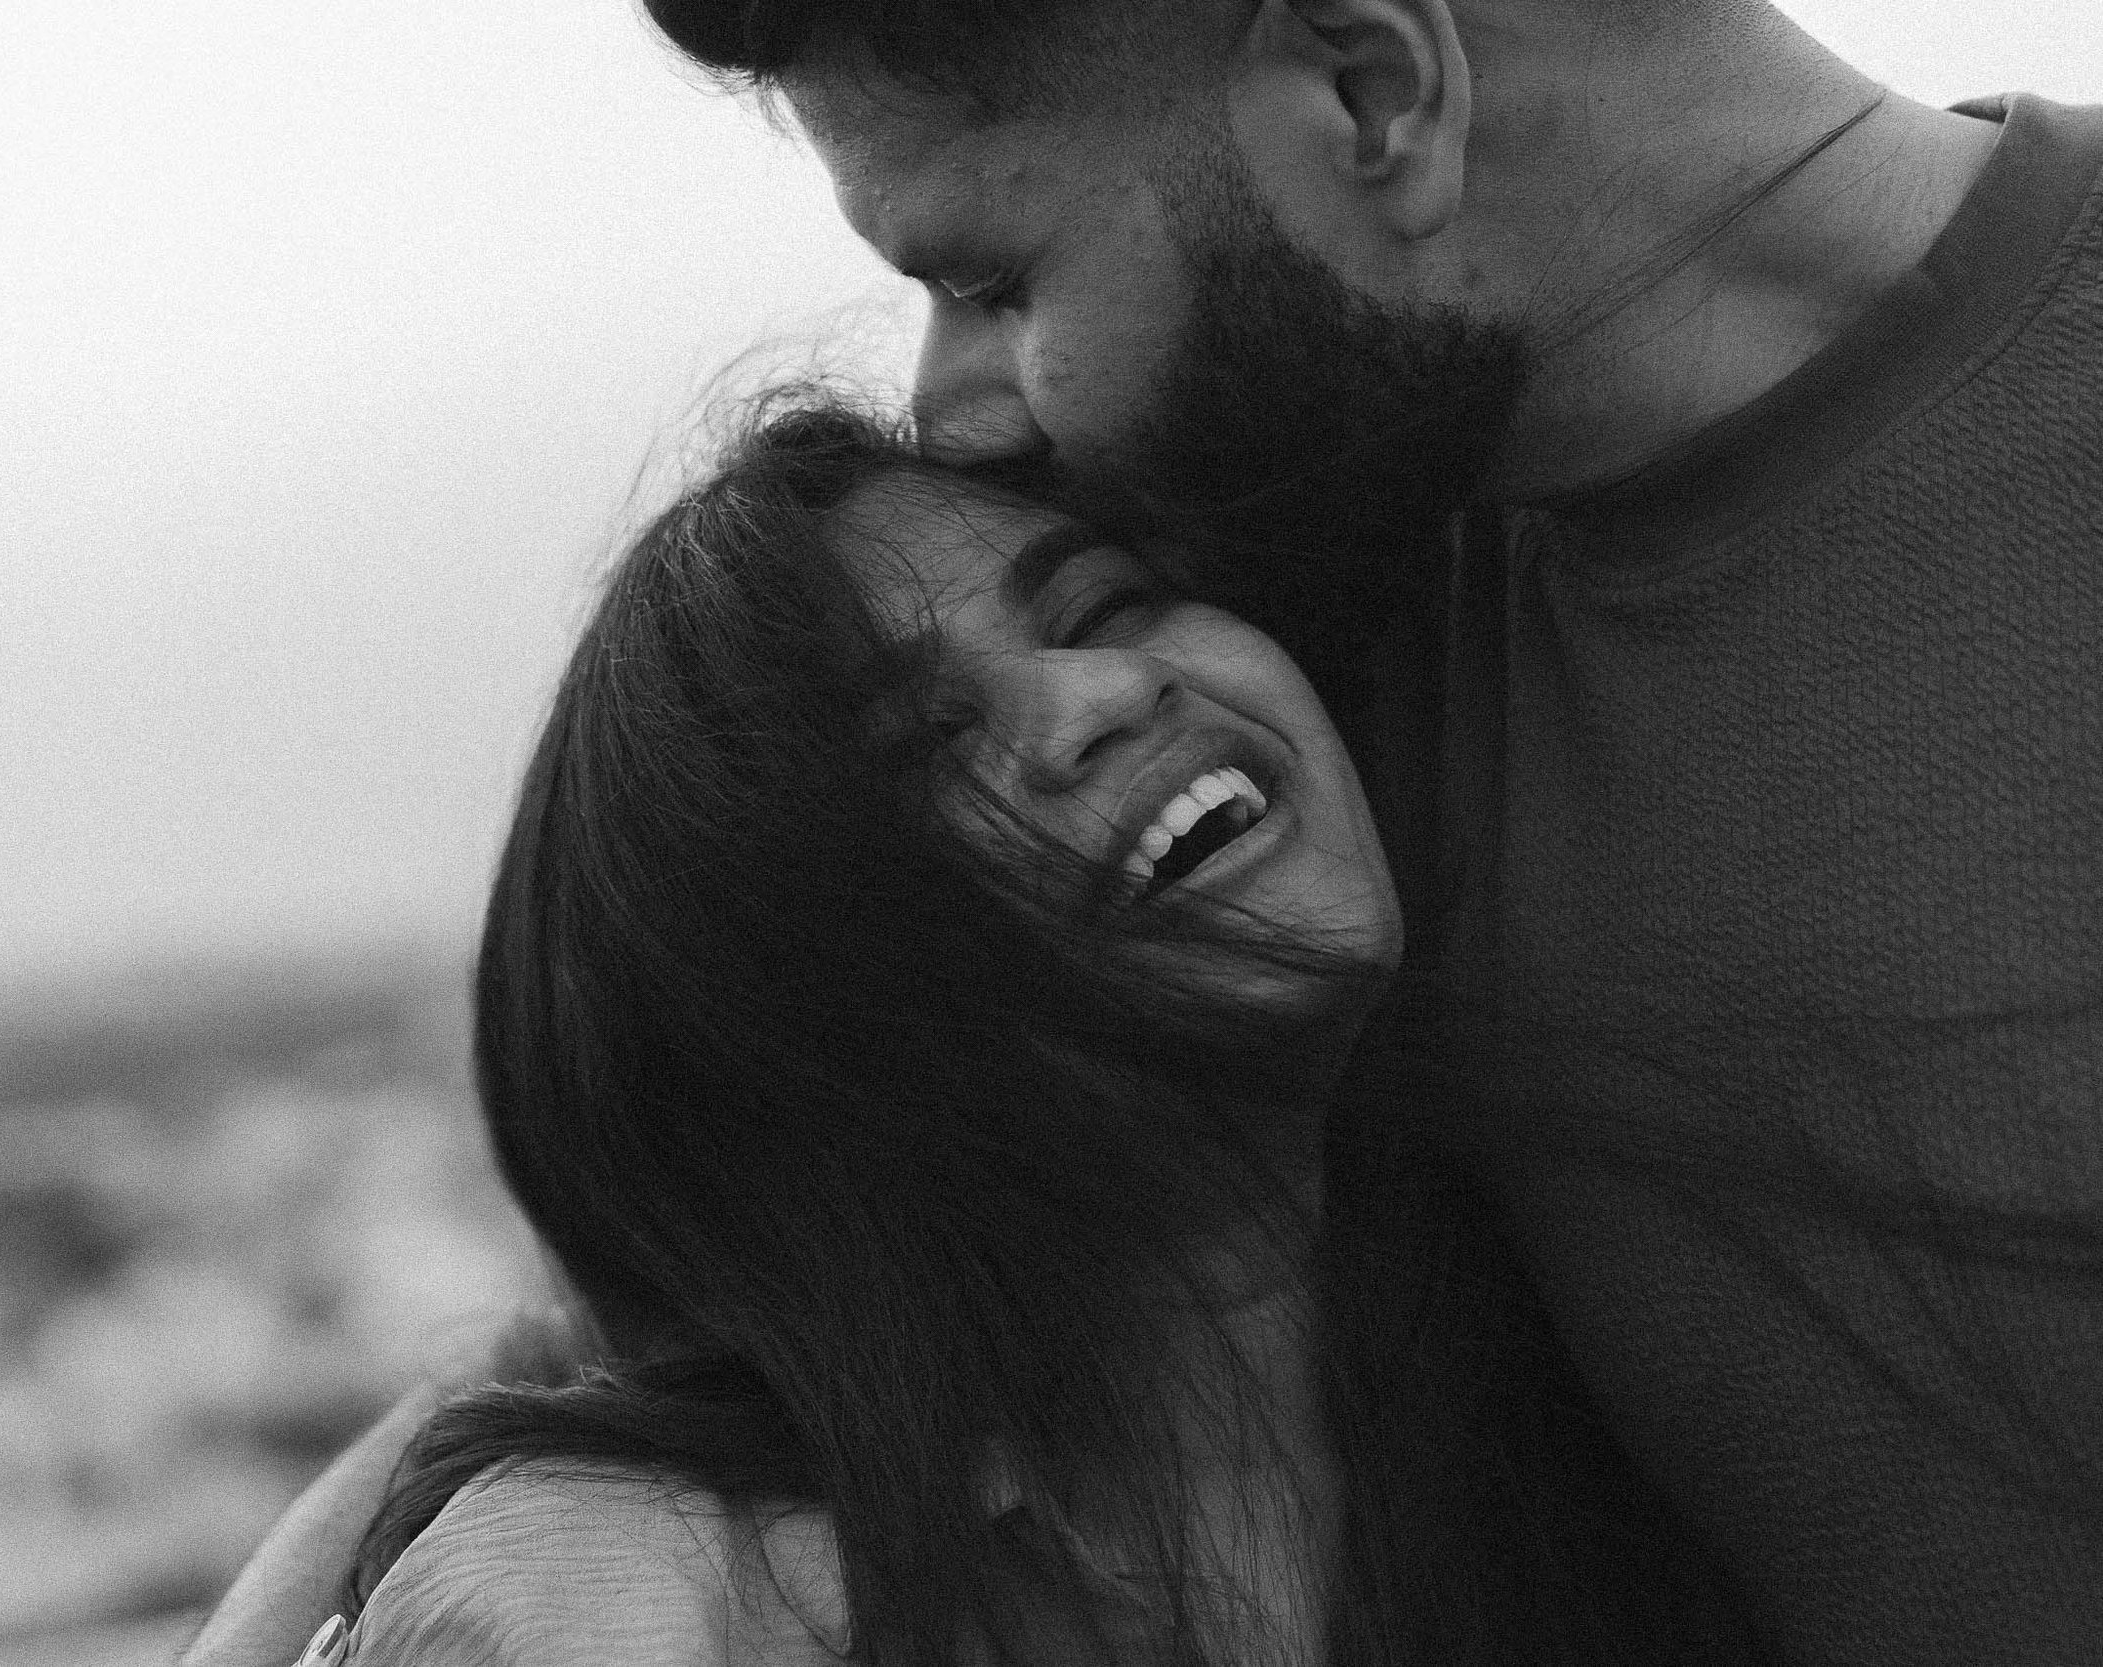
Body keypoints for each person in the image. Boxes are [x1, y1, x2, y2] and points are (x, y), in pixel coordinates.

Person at [614, 4, 2103, 1665]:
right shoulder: (1265, 656)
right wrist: (525, 1557)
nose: (956, 410)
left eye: (993, 280)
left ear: (1371, 91)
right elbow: (801, 1201)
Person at [284, 397, 1751, 1666]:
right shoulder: (644, 1594)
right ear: (789, 1022)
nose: (1105, 697)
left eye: (1105, 606)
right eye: (926, 745)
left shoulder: (1622, 1405)